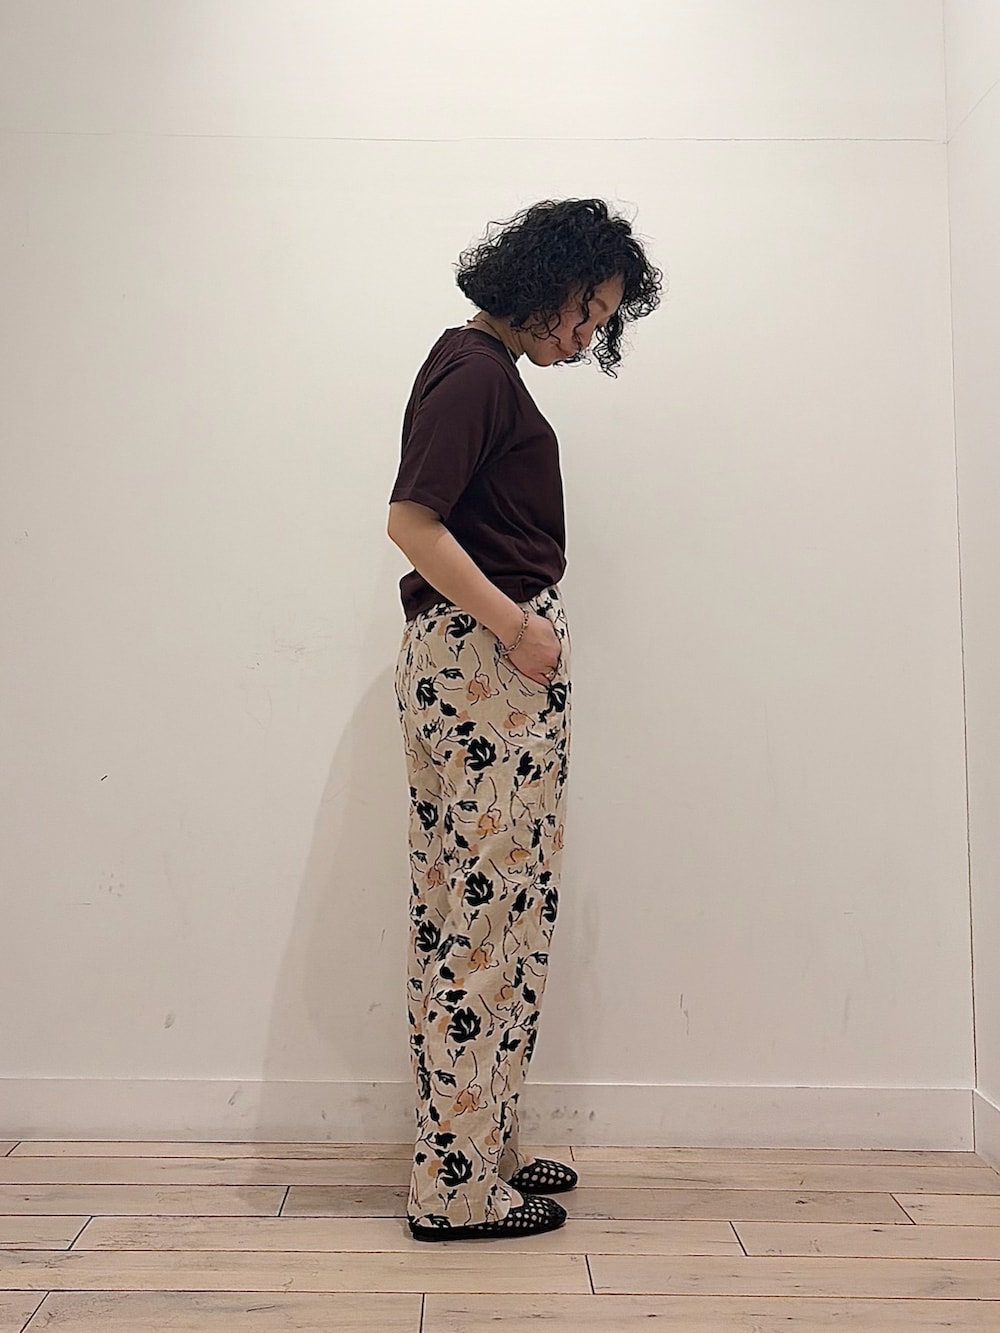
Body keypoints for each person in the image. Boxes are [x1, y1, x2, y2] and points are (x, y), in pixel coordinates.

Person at [387, 198, 662, 1241]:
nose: (587, 336)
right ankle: (457, 1188)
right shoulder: (474, 373)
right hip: (487, 666)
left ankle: (475, 1146)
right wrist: (517, 628)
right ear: (544, 282)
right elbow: (409, 522)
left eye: (601, 322)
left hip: (474, 666)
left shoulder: (477, 368)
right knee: (488, 919)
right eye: (585, 311)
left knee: (469, 909)